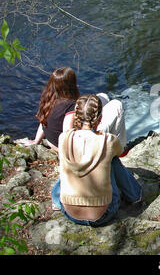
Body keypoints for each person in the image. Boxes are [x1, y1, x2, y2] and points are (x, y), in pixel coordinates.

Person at [51, 94, 142, 226]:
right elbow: (120, 151)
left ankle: (56, 199)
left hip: (69, 212)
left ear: (76, 116)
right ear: (100, 118)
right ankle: (135, 195)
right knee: (112, 159)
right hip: (103, 214)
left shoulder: (64, 138)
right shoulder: (107, 140)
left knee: (70, 163)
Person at [18, 67, 127, 150]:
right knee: (116, 105)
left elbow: (43, 122)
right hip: (72, 147)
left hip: (52, 142)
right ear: (71, 84)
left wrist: (36, 141)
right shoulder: (70, 106)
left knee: (102, 97)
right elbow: (67, 134)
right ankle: (120, 148)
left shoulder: (48, 100)